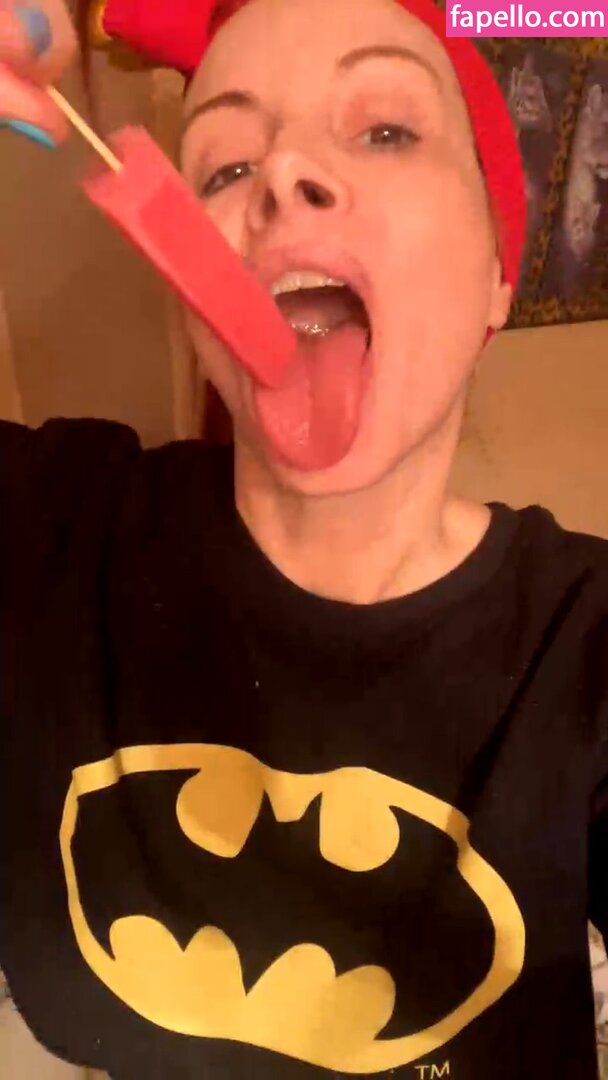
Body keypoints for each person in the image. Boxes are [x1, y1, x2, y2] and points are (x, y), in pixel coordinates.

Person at [0, 0, 607, 1077]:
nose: (280, 173)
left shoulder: (586, 644)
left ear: (496, 271)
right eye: (226, 165)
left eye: (386, 130)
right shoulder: (52, 524)